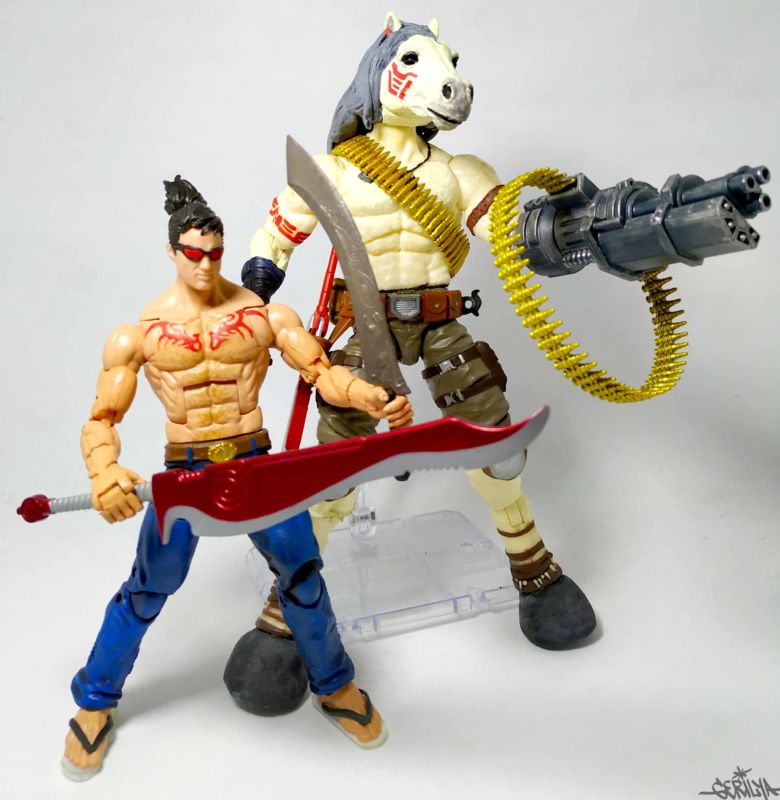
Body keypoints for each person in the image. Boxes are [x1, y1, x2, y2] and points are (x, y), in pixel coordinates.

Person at [62, 175, 412, 780]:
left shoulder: (262, 314)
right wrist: (103, 471)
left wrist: (369, 397)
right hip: (187, 474)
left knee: (302, 576)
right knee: (146, 590)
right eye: (192, 254)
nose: (205, 266)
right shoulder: (139, 333)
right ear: (172, 251)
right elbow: (102, 419)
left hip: (254, 463)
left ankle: (334, 686)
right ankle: (95, 700)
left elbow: (321, 373)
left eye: (215, 254)